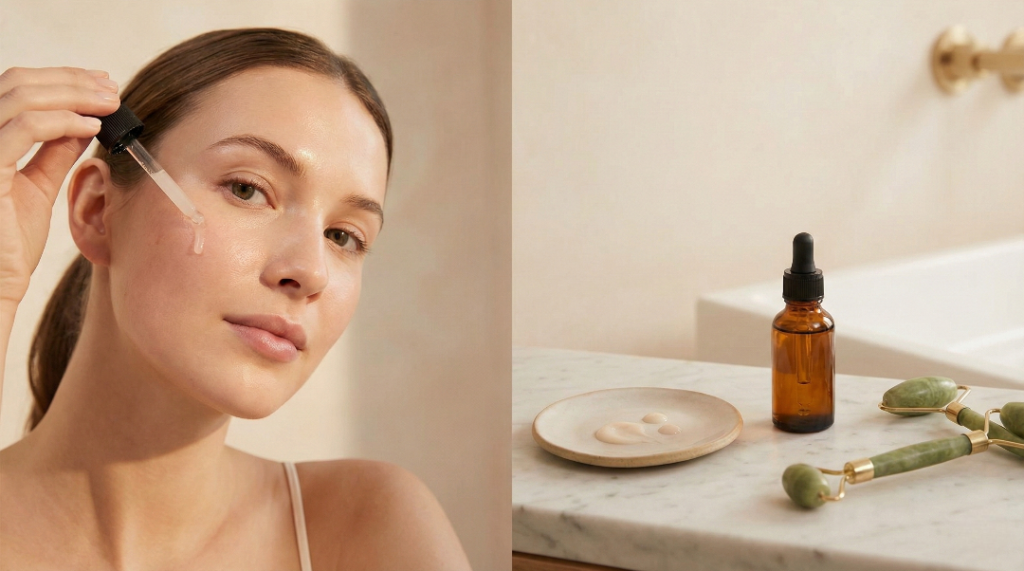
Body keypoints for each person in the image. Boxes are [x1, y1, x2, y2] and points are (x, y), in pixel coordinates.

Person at [0, 28, 471, 570]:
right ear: (97, 210)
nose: (310, 272)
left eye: (344, 236)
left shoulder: (368, 527)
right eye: (248, 189)